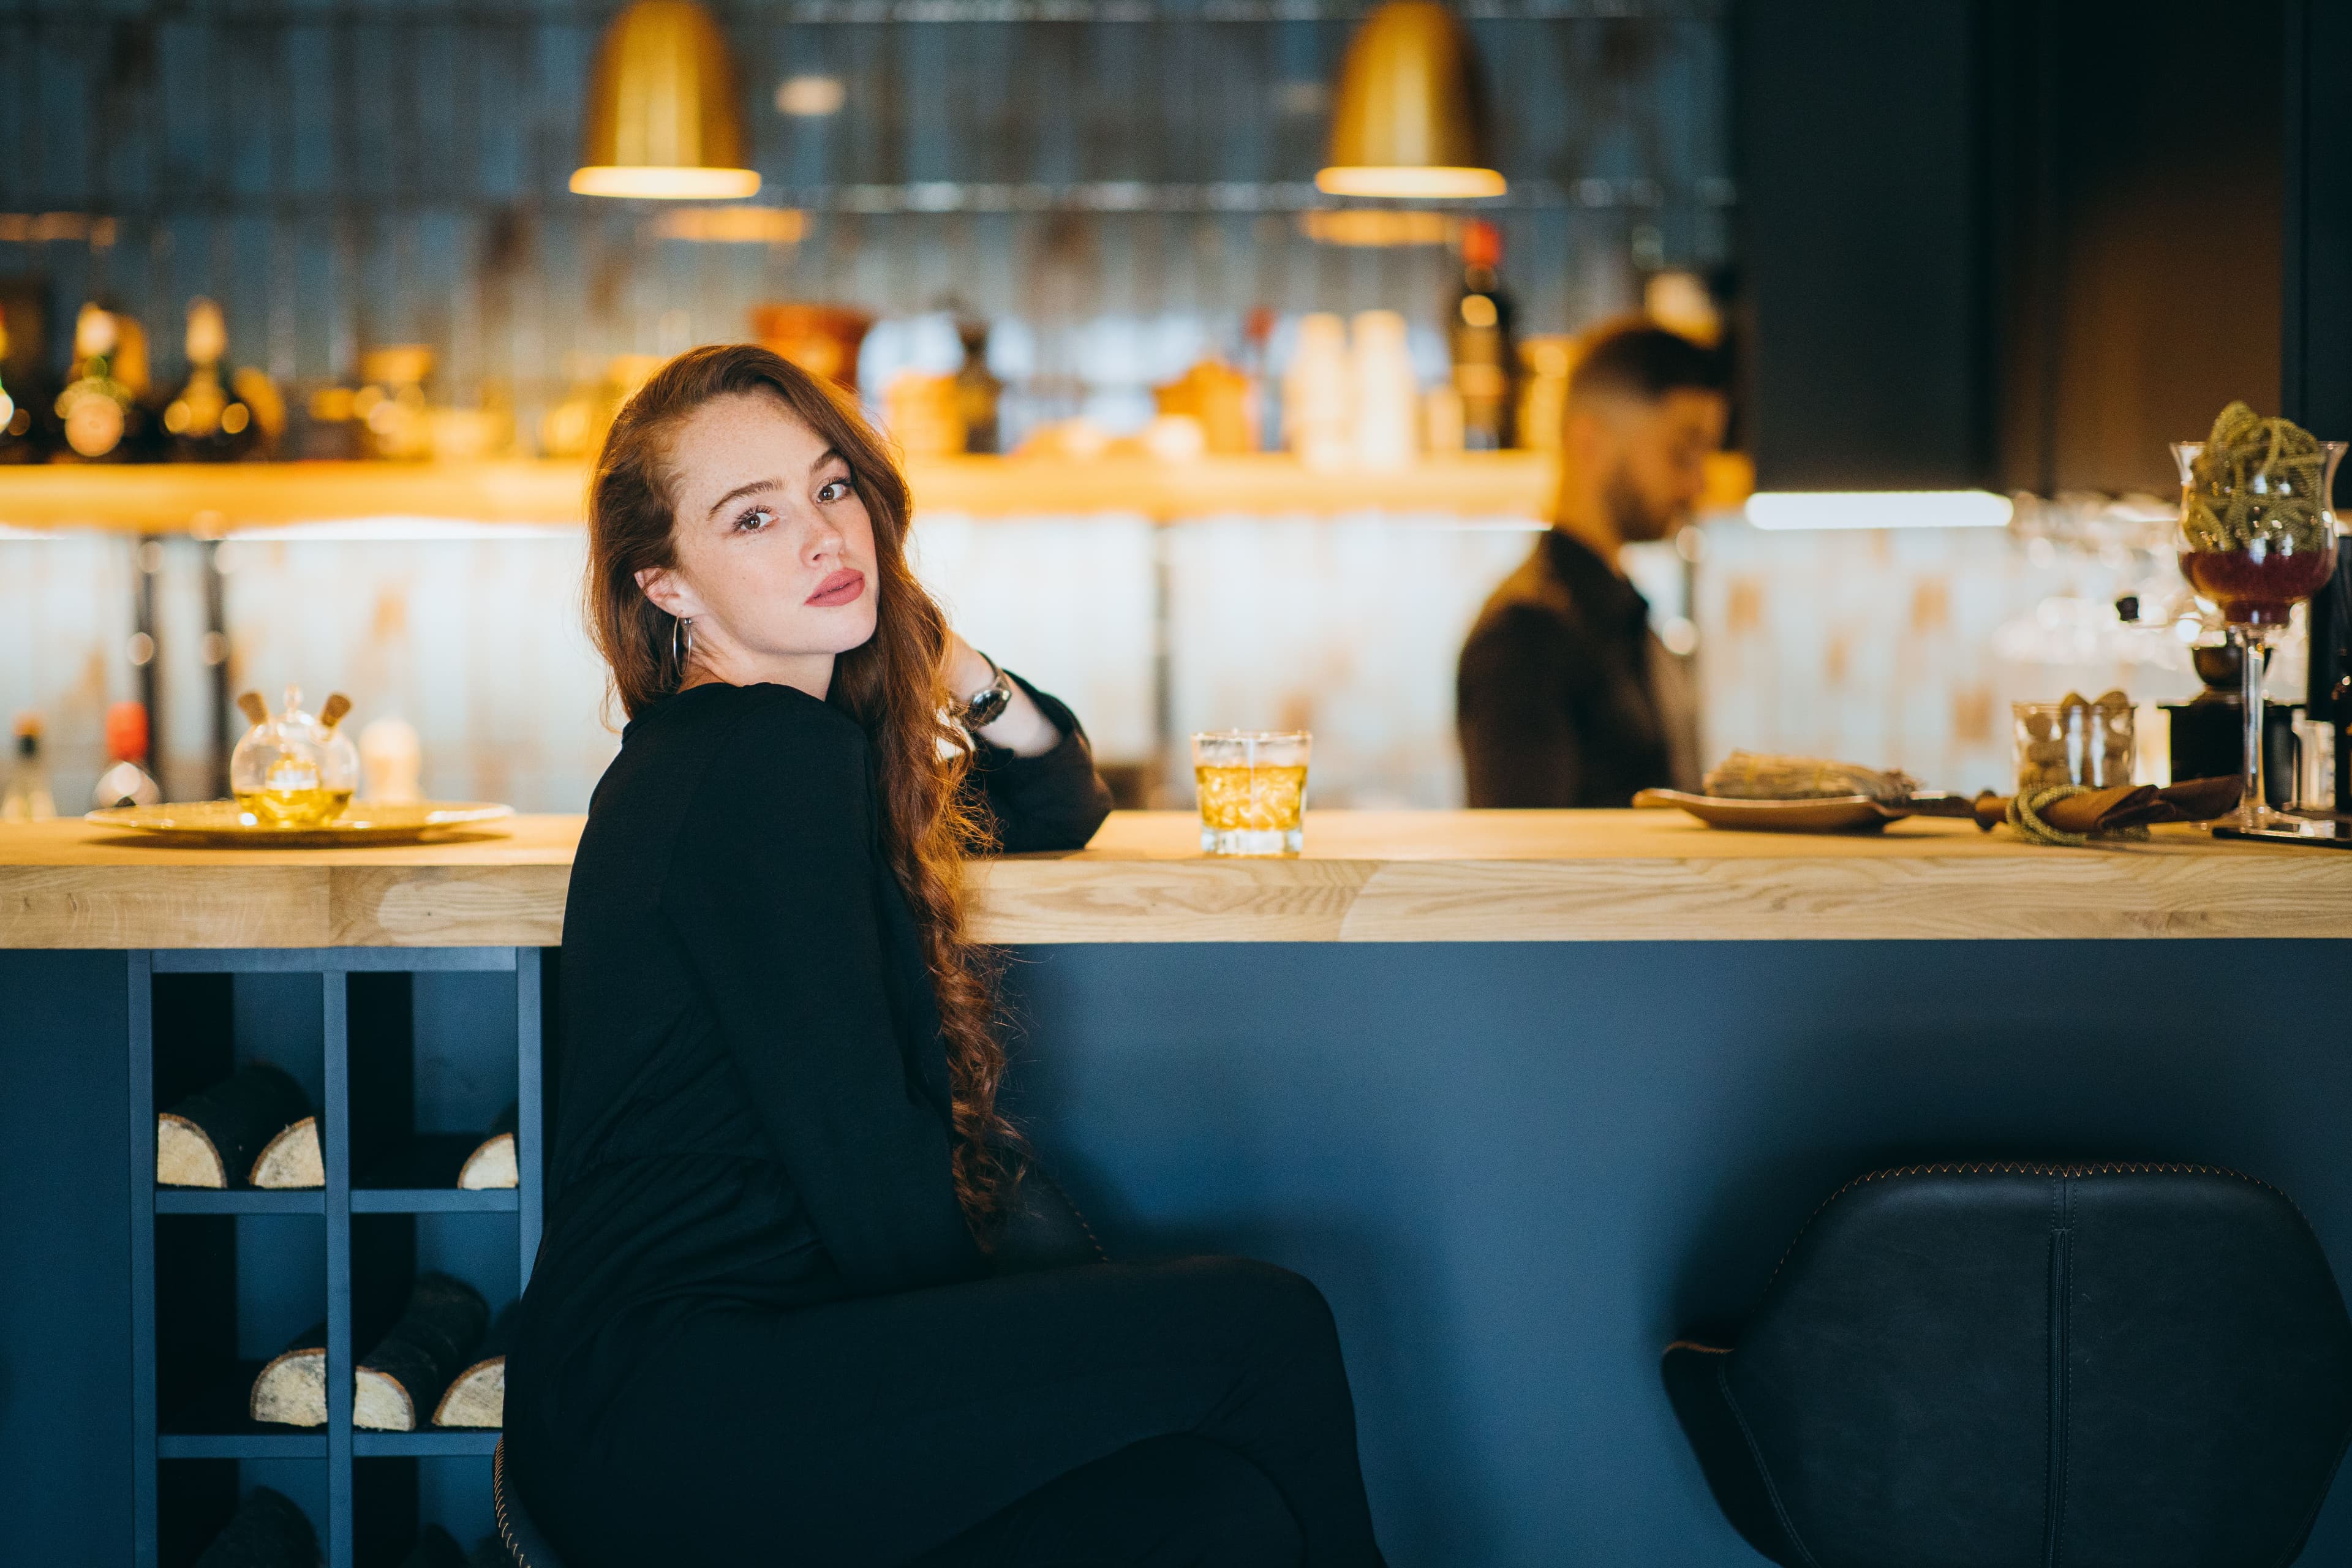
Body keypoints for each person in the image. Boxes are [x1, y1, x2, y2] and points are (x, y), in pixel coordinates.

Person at [505, 343, 1387, 1568]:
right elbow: (864, 1154)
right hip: (688, 1404)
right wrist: (1029, 1375)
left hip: (704, 1391)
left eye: (831, 488)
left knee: (1208, 1507)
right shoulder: (753, 763)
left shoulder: (783, 751)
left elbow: (1053, 794)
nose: (821, 537)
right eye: (752, 517)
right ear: (667, 585)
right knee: (1261, 1331)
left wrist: (934, 649)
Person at [1455, 321, 1730, 808]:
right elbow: (1522, 869)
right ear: (1590, 443)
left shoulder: (1618, 614)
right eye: (1683, 452)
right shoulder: (1526, 637)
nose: (1699, 484)